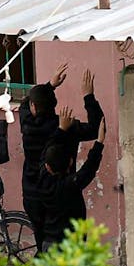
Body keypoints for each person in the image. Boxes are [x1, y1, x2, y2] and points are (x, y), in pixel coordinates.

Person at [19, 65, 102, 251]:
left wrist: (50, 85)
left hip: (33, 194)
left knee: (43, 245)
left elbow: (25, 104)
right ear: (54, 105)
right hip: (64, 195)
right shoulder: (66, 127)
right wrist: (88, 96)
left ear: (33, 106)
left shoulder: (26, 122)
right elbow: (97, 128)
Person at [35, 107, 106, 251]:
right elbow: (89, 168)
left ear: (47, 166)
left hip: (49, 243)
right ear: (71, 162)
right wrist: (99, 142)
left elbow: (47, 151)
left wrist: (61, 129)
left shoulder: (42, 179)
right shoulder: (69, 186)